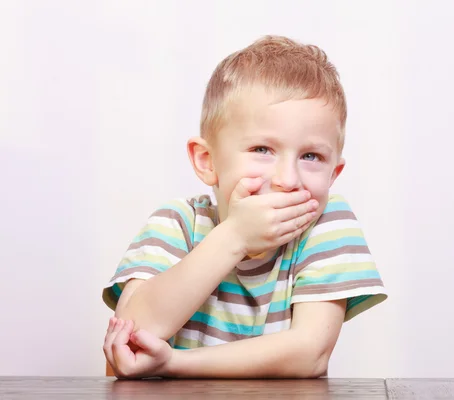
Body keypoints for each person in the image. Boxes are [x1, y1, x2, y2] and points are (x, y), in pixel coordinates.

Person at [102, 35, 387, 379]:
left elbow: (310, 353)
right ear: (207, 161)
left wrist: (174, 362)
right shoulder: (176, 224)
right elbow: (133, 335)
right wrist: (234, 236)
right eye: (262, 149)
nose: (288, 178)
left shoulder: (326, 223)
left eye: (311, 156)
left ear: (333, 173)